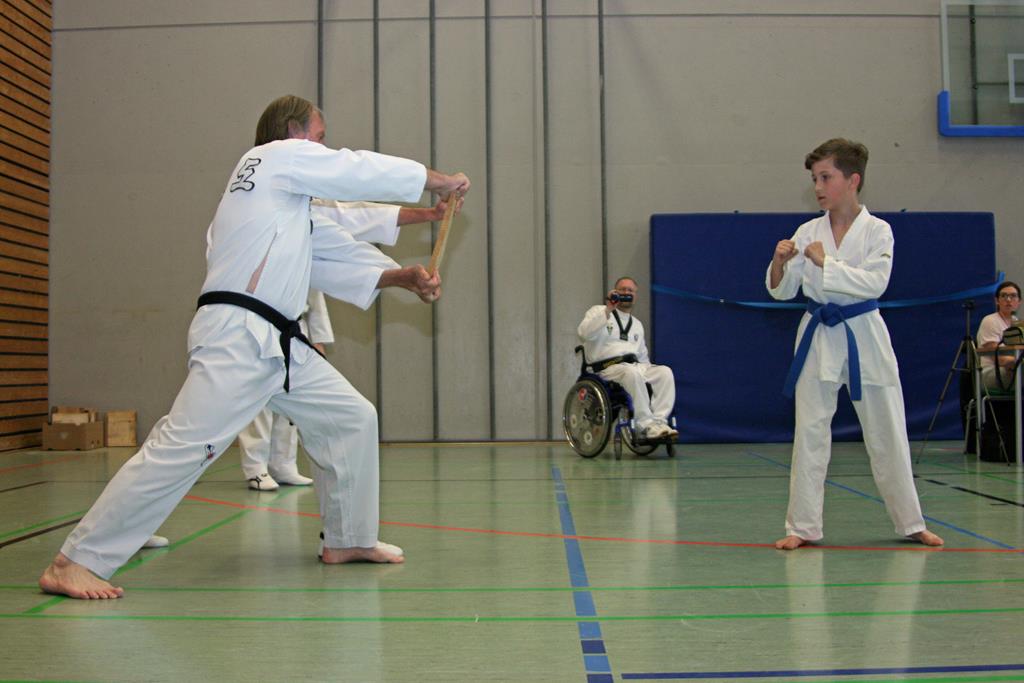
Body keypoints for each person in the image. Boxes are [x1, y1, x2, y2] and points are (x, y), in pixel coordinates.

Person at [38, 94, 470, 599]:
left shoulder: (279, 201)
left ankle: (348, 539)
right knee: (184, 447)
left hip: (280, 343)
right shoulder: (271, 159)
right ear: (293, 133)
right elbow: (351, 171)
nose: (323, 146)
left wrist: (404, 276)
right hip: (239, 337)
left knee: (351, 418)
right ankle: (76, 561)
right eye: (319, 136)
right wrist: (435, 179)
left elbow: (332, 249)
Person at [767, 137, 943, 551]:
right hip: (817, 334)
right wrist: (779, 263)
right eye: (815, 179)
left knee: (887, 430)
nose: (818, 186)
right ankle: (802, 526)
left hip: (864, 332)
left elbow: (875, 283)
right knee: (810, 431)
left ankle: (911, 522)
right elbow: (783, 290)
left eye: (825, 177)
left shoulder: (879, 231)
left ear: (853, 180)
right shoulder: (807, 231)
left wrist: (826, 263)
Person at [241, 197, 460, 491]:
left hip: (291, 326)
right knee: (245, 409)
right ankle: (255, 466)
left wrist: (429, 216)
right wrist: (402, 276)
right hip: (246, 324)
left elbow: (348, 223)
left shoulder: (306, 210)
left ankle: (283, 463)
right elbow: (345, 229)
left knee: (322, 410)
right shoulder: (254, 208)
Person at [577, 277, 677, 439]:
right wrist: (608, 309)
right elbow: (583, 333)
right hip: (607, 368)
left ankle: (659, 422)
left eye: (630, 290)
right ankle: (644, 425)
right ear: (614, 292)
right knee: (632, 373)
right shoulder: (599, 311)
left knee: (665, 372)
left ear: (635, 295)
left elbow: (642, 356)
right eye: (622, 289)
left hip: (634, 365)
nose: (626, 292)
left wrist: (649, 370)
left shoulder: (637, 324)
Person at [976, 281, 1021, 390]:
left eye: (1013, 296)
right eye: (1004, 296)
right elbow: (996, 355)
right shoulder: (990, 321)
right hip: (992, 371)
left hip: (1013, 368)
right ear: (997, 301)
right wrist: (1014, 362)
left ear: (1019, 301)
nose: (1008, 300)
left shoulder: (1017, 323)